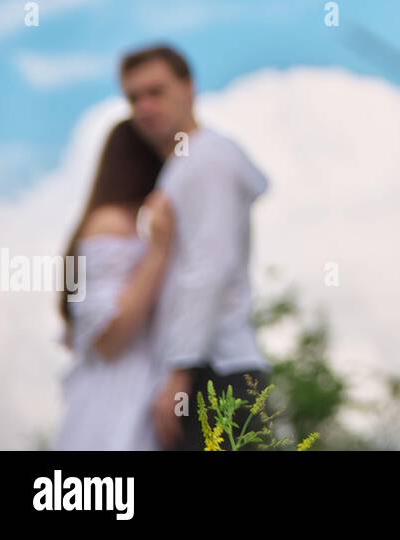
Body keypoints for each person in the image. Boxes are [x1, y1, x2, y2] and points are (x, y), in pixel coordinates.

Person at [118, 44, 272, 450]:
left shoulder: (208, 160)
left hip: (215, 369)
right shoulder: (184, 165)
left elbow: (209, 269)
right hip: (203, 369)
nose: (145, 106)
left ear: (189, 87)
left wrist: (178, 375)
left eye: (156, 91)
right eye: (134, 98)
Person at [54, 119, 175, 450]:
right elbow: (110, 336)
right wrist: (160, 252)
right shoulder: (110, 225)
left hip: (125, 397)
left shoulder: (121, 225)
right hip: (118, 408)